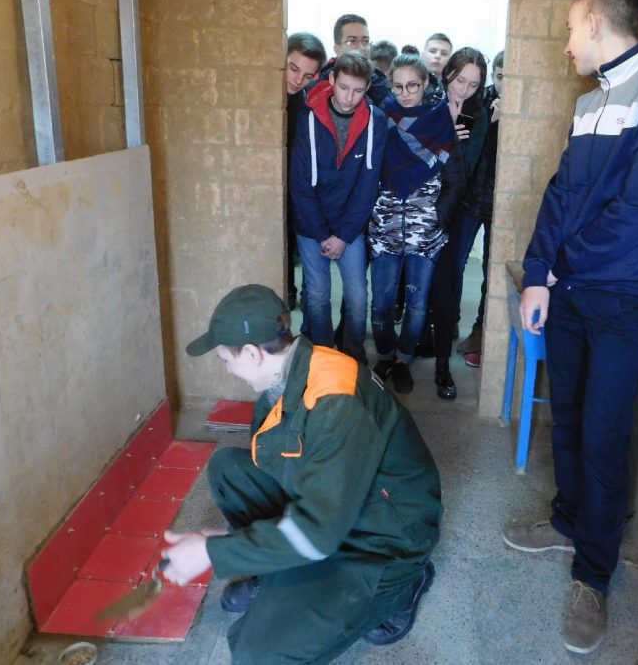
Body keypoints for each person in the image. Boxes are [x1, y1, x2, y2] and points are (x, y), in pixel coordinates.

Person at [504, 0, 638, 655]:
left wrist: (560, 267)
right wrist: (539, 273)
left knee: (604, 432)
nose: (566, 45)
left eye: (570, 29)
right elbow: (561, 193)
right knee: (569, 414)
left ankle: (593, 574)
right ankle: (567, 520)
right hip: (568, 292)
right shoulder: (590, 103)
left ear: (594, 24)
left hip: (621, 298)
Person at [164, 284, 442, 664]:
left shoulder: (336, 401)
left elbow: (318, 530)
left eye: (225, 359)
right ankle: (282, 570)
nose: (226, 368)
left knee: (257, 654)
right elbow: (283, 460)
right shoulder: (293, 371)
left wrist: (215, 550)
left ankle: (403, 585)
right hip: (342, 506)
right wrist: (241, 545)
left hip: (384, 539)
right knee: (230, 469)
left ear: (252, 353)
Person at [368, 54, 465, 394]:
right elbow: (367, 170)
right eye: (398, 87)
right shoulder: (379, 118)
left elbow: (456, 176)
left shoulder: (442, 120)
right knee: (381, 303)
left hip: (425, 228)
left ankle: (404, 358)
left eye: (412, 86)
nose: (405, 94)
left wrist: (438, 216)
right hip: (385, 225)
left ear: (425, 83)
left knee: (418, 304)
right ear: (390, 84)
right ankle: (385, 354)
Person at [290, 51, 386, 363]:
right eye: (343, 87)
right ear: (332, 79)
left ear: (367, 87)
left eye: (358, 90)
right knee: (317, 296)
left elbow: (368, 185)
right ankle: (324, 359)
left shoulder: (376, 121)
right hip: (311, 225)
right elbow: (300, 184)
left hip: (350, 226)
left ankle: (353, 358)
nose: (349, 98)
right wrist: (322, 234)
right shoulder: (308, 117)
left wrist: (343, 236)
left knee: (357, 297)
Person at [424, 47, 489, 399]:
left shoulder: (477, 115)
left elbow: (464, 169)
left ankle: (443, 365)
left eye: (473, 84)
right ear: (448, 72)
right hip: (419, 204)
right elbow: (415, 155)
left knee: (448, 282)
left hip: (457, 208)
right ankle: (418, 341)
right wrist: (444, 137)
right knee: (416, 279)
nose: (464, 90)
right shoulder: (428, 99)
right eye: (460, 79)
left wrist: (445, 136)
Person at [455, 50, 504, 367]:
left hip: (500, 203)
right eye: (500, 77)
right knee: (454, 265)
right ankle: (447, 323)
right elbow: (461, 146)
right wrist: (490, 120)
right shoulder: (477, 103)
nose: (504, 84)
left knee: (491, 269)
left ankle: (480, 332)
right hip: (470, 198)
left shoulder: (522, 108)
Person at [285, 32, 327, 312]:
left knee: (290, 238)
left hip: (294, 185)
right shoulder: (260, 99)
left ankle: (291, 292)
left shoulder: (305, 107)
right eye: (293, 68)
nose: (298, 79)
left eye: (308, 75)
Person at [316, 13, 391, 106]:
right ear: (337, 49)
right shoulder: (317, 89)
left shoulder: (381, 85)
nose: (361, 47)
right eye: (352, 41)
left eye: (365, 41)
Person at [420, 33, 452, 105]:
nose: (438, 56)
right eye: (432, 51)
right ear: (423, 55)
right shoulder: (407, 83)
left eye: (444, 53)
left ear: (450, 60)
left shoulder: (454, 90)